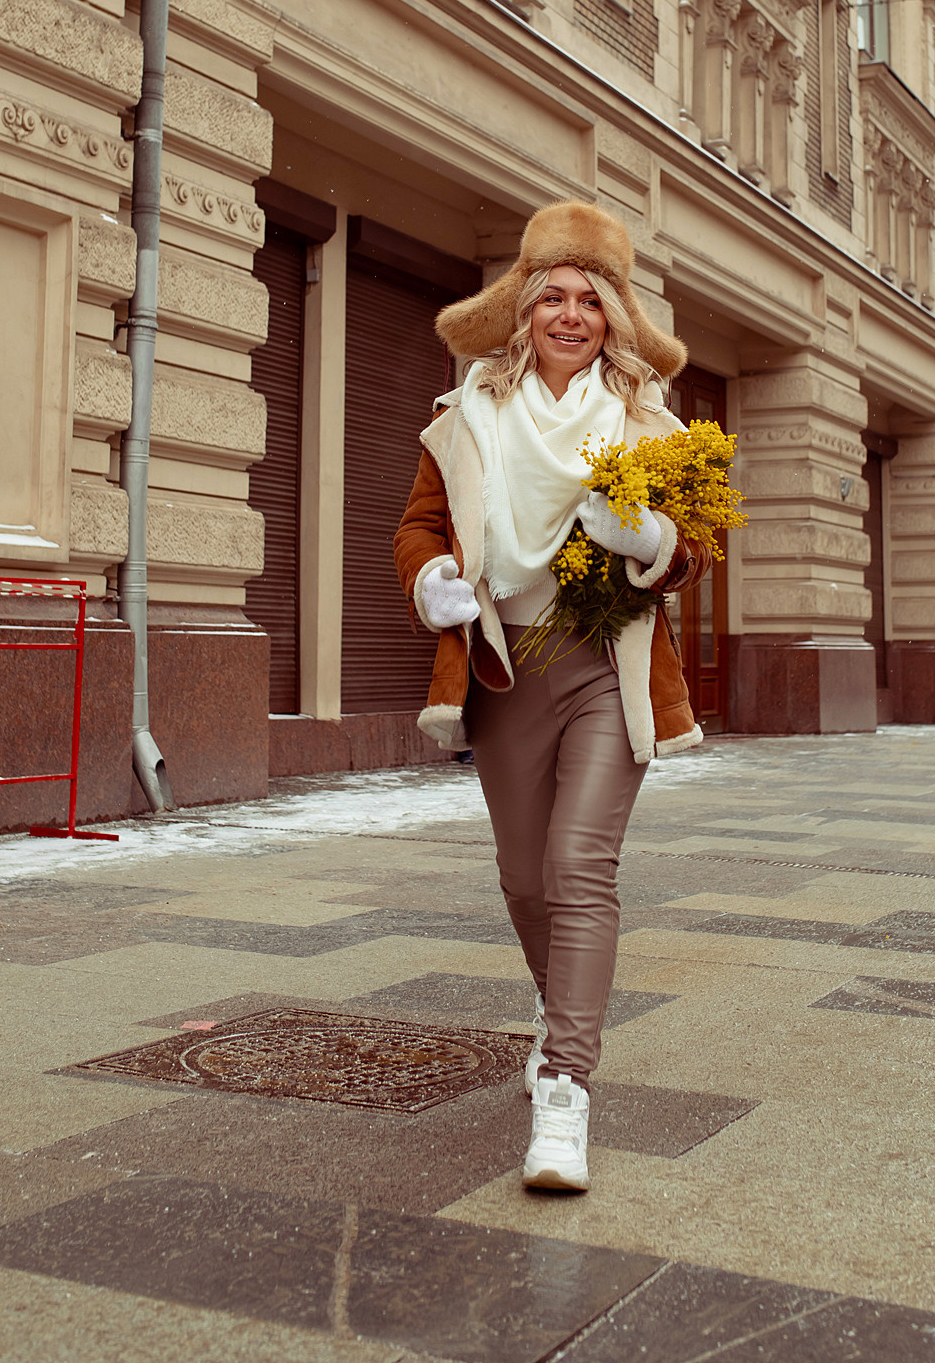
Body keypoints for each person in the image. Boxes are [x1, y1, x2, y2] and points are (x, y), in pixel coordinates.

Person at [394, 200, 710, 1193]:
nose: (571, 315)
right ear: (523, 310)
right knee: (525, 879)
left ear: (614, 317)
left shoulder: (650, 425)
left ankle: (565, 1088)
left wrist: (650, 541)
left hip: (606, 664)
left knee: (578, 867)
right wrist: (429, 579)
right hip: (502, 668)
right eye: (554, 298)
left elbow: (697, 551)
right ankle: (557, 1006)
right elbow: (417, 526)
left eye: (591, 299)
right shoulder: (465, 416)